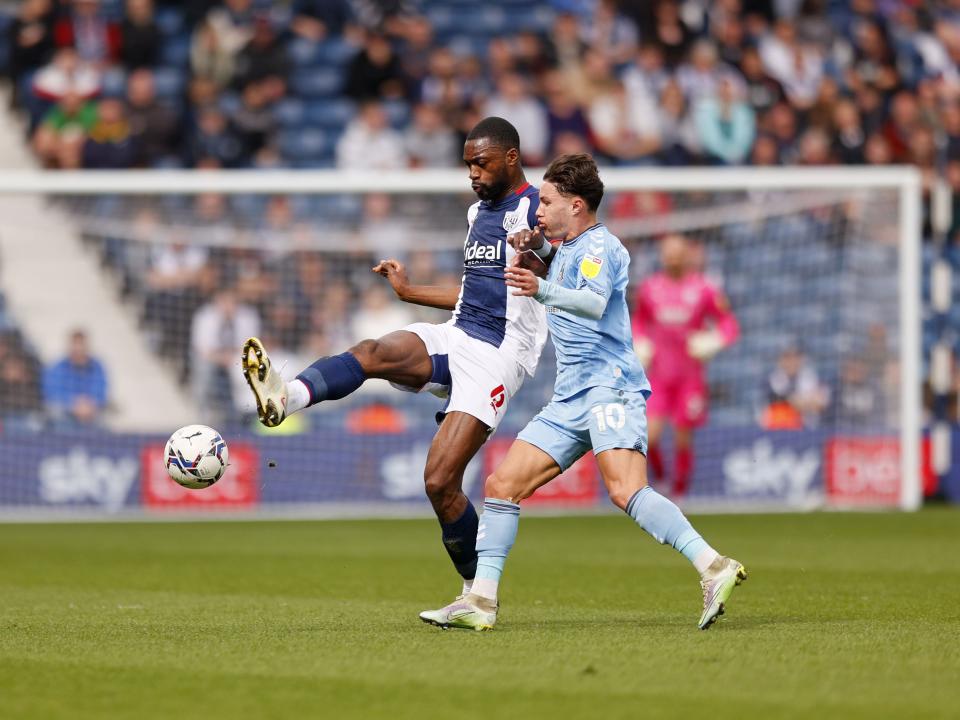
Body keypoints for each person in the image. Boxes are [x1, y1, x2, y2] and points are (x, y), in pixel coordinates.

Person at [418, 153, 746, 632]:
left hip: (608, 385)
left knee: (625, 489)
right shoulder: (570, 246)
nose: (539, 209)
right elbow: (568, 269)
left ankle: (714, 566)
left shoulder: (602, 248)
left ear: (575, 205)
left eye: (546, 202)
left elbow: (591, 301)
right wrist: (543, 255)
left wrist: (540, 286)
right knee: (501, 485)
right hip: (570, 396)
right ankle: (480, 601)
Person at [242, 117, 549, 609]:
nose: (472, 172)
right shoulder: (477, 215)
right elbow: (474, 292)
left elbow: (551, 263)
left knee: (439, 482)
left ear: (511, 157)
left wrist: (537, 250)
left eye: (481, 163)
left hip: (498, 355)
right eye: (468, 163)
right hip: (459, 332)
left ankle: (476, 592)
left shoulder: (539, 208)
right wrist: (409, 293)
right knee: (372, 352)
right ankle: (286, 397)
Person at [632, 234, 739, 497]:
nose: (672, 258)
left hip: (690, 377)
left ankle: (680, 492)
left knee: (683, 436)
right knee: (650, 436)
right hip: (658, 375)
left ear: (687, 255)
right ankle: (660, 479)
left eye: (677, 253)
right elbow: (639, 322)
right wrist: (640, 342)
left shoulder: (704, 289)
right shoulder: (650, 288)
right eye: (668, 253)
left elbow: (729, 325)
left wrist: (714, 340)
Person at [43, 329, 108, 426]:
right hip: (65, 413)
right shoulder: (57, 367)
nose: (78, 349)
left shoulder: (97, 367)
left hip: (91, 413)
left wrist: (89, 404)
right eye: (75, 344)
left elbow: (101, 390)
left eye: (81, 344)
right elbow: (52, 392)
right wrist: (73, 404)